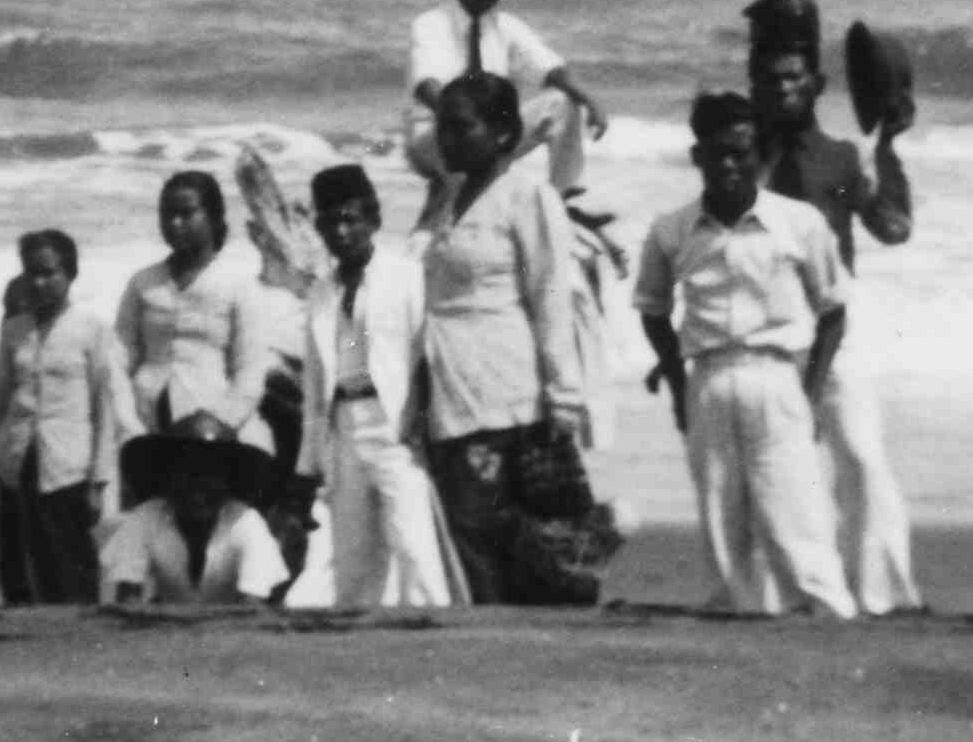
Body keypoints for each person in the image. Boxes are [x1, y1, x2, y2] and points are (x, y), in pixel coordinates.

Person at [634, 92, 856, 619]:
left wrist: (811, 391)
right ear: (698, 158)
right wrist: (675, 387)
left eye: (742, 153)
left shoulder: (798, 223)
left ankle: (829, 615)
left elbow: (833, 310)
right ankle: (739, 624)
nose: (730, 165)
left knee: (794, 510)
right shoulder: (671, 229)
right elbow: (652, 308)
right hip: (707, 377)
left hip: (777, 375)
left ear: (763, 158)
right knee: (721, 512)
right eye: (718, 154)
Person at [743, 0, 923, 614]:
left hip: (829, 328)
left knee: (860, 457)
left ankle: (882, 594)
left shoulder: (841, 160)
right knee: (774, 473)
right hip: (762, 333)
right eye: (771, 81)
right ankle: (782, 598)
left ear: (817, 87)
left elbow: (893, 227)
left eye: (796, 80)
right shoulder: (743, 158)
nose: (783, 91)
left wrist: (892, 146)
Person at [416, 74, 624, 605]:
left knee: (502, 537)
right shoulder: (449, 198)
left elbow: (550, 298)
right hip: (448, 394)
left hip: (506, 396)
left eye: (461, 128)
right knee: (469, 537)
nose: (446, 139)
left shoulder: (528, 197)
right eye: (442, 127)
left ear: (505, 133)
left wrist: (564, 399)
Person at [294, 164, 454, 608]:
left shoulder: (406, 277)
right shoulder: (321, 294)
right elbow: (313, 387)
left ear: (373, 220)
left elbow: (426, 355)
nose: (342, 232)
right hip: (343, 425)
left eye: (351, 219)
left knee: (413, 542)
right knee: (353, 553)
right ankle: (359, 649)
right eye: (331, 223)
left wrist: (423, 421)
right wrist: (308, 466)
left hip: (393, 423)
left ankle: (431, 636)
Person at [0, 231, 120, 606]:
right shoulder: (14, 330)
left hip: (67, 466)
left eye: (50, 273)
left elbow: (105, 408)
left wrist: (98, 484)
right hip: (16, 460)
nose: (40, 282)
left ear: (70, 273)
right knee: (16, 566)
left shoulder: (91, 328)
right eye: (33, 273)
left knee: (69, 564)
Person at [111, 171, 286, 499]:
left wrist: (221, 423)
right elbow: (117, 358)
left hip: (216, 433)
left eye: (187, 213)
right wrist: (128, 425)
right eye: (167, 214)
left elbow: (251, 368)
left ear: (215, 217)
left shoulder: (238, 284)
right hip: (148, 429)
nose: (175, 223)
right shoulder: (143, 282)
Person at [404, 0, 605, 196]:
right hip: (436, 136)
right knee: (463, 195)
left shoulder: (507, 27)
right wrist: (468, 130)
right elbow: (427, 86)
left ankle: (561, 198)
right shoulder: (431, 23)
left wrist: (589, 100)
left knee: (562, 102)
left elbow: (549, 67)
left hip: (486, 138)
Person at [99, 426, 292, 606]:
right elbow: (127, 598)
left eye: (209, 475)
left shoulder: (246, 521)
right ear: (168, 478)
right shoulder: (147, 516)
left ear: (228, 482)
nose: (197, 492)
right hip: (162, 631)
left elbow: (253, 603)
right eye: (188, 474)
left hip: (231, 631)